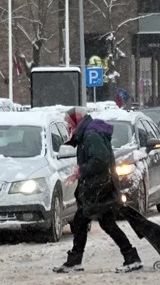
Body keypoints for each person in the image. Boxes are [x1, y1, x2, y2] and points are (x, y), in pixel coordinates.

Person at [54, 108, 143, 274]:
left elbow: (101, 160)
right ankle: (130, 256)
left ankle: (76, 261)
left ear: (76, 121)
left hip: (98, 188)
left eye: (69, 123)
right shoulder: (88, 133)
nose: (68, 126)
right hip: (99, 186)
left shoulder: (91, 136)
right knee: (104, 223)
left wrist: (82, 171)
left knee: (82, 221)